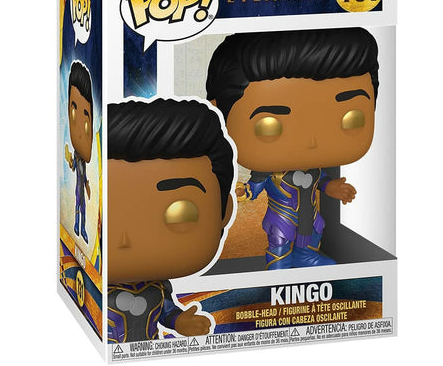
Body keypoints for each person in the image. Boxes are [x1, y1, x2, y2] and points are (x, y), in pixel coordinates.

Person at [206, 28, 379, 269]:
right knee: (280, 240)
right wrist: (243, 192)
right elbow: (254, 187)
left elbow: (320, 181)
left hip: (310, 216)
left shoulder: (314, 170)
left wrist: (332, 187)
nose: (311, 141)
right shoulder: (268, 174)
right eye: (269, 126)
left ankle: (306, 257)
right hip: (282, 217)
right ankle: (278, 263)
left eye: (350, 119)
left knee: (312, 235)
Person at [107, 99, 234, 342]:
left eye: (181, 214)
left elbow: (167, 312)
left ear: (224, 213)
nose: (125, 239)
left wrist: (180, 321)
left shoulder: (157, 287)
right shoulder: (96, 286)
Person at [65, 61, 94, 243]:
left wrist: (88, 185)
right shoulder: (78, 156)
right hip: (77, 188)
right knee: (78, 203)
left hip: (82, 186)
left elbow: (84, 175)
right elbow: (74, 167)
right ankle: (76, 225)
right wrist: (69, 159)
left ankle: (82, 227)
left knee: (82, 206)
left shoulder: (83, 158)